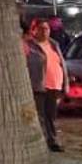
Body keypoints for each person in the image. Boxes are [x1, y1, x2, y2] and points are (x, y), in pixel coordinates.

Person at [22, 17, 68, 152]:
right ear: (33, 30)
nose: (45, 32)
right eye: (41, 29)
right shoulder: (28, 45)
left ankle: (52, 140)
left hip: (54, 85)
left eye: (47, 29)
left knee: (51, 116)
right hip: (38, 86)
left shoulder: (54, 44)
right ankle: (39, 144)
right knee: (39, 117)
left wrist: (65, 83)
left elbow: (62, 64)